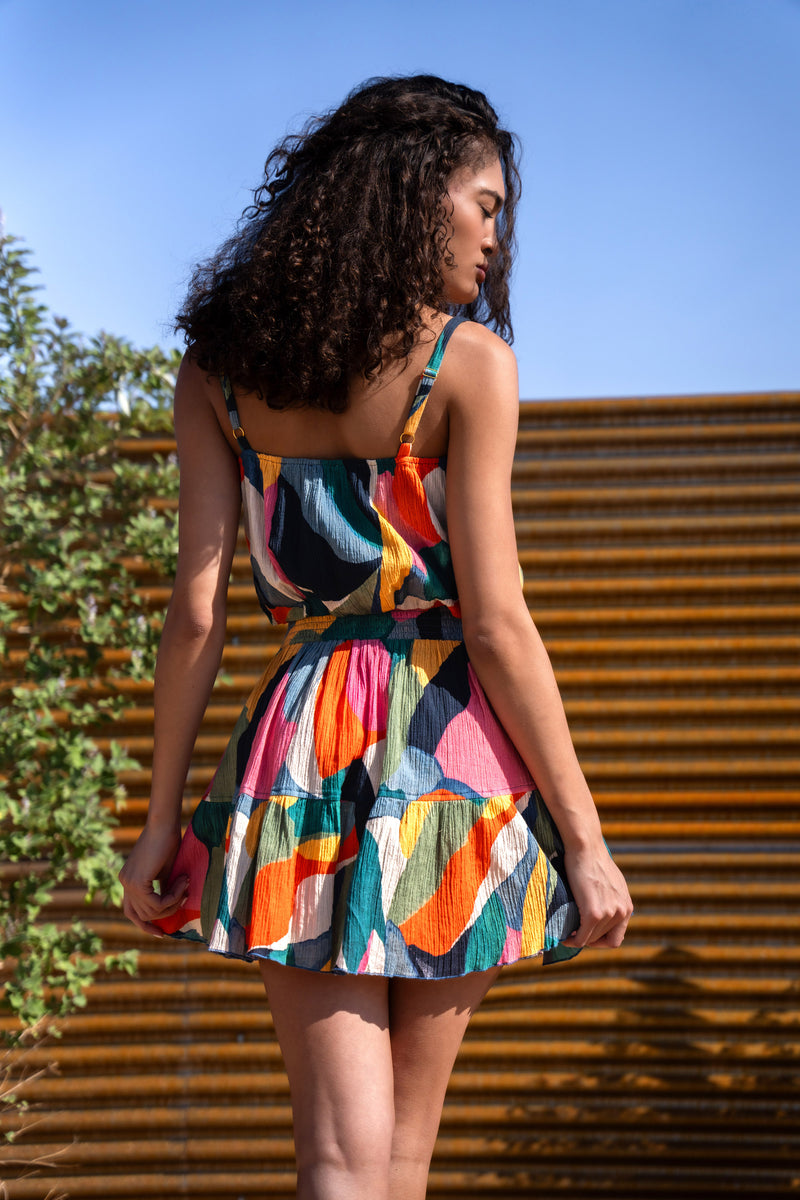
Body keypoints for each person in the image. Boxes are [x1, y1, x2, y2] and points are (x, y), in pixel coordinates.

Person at [119, 74, 632, 1200]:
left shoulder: (219, 375)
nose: (496, 238)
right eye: (484, 205)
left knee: (340, 1161)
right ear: (413, 192)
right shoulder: (468, 367)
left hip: (298, 750)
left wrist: (160, 824)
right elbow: (496, 621)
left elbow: (196, 614)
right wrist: (586, 839)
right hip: (450, 755)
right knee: (398, 1161)